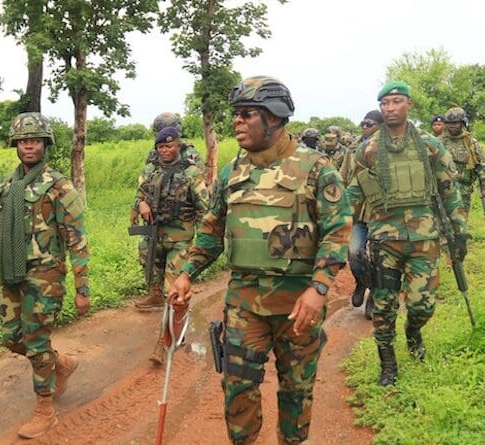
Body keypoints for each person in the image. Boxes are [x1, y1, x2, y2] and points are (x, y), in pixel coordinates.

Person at [169, 76, 352, 444]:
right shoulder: (231, 172)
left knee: (296, 392)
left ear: (275, 117)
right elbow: (211, 229)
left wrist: (319, 289)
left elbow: (337, 231)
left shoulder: (316, 169)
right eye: (235, 114)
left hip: (297, 304)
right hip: (244, 303)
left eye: (247, 114)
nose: (237, 121)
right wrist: (187, 272)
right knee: (238, 391)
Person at [0, 112, 90, 439]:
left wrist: (83, 287)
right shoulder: (7, 186)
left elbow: (77, 239)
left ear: (45, 143)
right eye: (23, 141)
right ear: (15, 145)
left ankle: (45, 409)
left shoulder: (59, 186)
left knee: (35, 342)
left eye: (35, 140)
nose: (29, 146)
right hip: (10, 274)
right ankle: (61, 364)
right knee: (13, 339)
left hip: (44, 277)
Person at [347, 80, 469, 386]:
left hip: (424, 240)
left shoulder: (430, 145)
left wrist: (460, 231)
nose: (390, 108)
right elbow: (352, 194)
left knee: (422, 305)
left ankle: (413, 333)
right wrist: (331, 227)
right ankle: (387, 363)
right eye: (385, 104)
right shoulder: (368, 149)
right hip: (385, 241)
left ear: (408, 105)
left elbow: (449, 189)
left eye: (397, 101)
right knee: (384, 306)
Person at [131, 126, 209, 364]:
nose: (165, 150)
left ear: (178, 146)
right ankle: (155, 297)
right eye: (161, 147)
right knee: (148, 266)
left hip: (180, 238)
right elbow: (139, 194)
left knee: (173, 290)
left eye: (169, 146)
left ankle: (164, 343)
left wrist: (204, 242)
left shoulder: (191, 172)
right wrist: (141, 204)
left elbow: (204, 207)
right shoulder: (150, 169)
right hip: (155, 236)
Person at [339, 110, 383, 317]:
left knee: (377, 257)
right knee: (354, 253)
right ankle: (361, 283)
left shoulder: (387, 148)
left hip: (379, 212)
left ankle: (374, 293)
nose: (365, 127)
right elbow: (343, 176)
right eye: (363, 124)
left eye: (370, 124)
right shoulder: (353, 147)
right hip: (356, 209)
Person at [439, 107, 485, 215]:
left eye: (455, 123)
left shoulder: (471, 143)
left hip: (463, 190)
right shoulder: (438, 142)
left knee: (461, 223)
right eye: (449, 123)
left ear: (463, 123)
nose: (452, 125)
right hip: (442, 189)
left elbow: (481, 166)